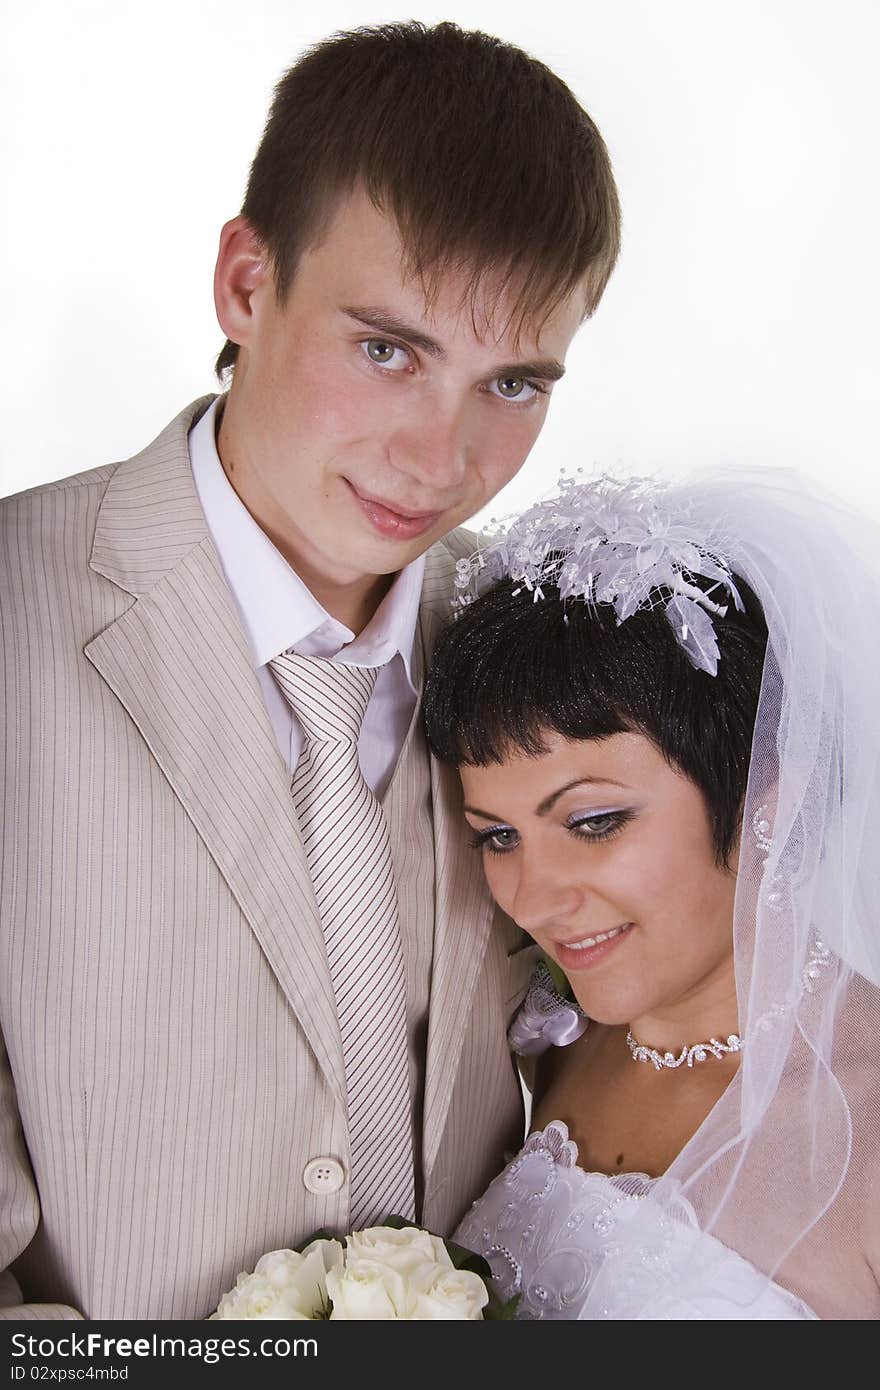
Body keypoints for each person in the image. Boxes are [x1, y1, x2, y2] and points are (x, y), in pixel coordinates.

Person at [0, 22, 620, 1318]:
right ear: (243, 282)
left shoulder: (547, 651)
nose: (440, 455)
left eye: (513, 380)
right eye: (386, 348)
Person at [423, 471, 880, 1319]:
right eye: (499, 835)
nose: (534, 897)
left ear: (767, 802)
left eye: (593, 821)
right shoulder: (557, 1044)